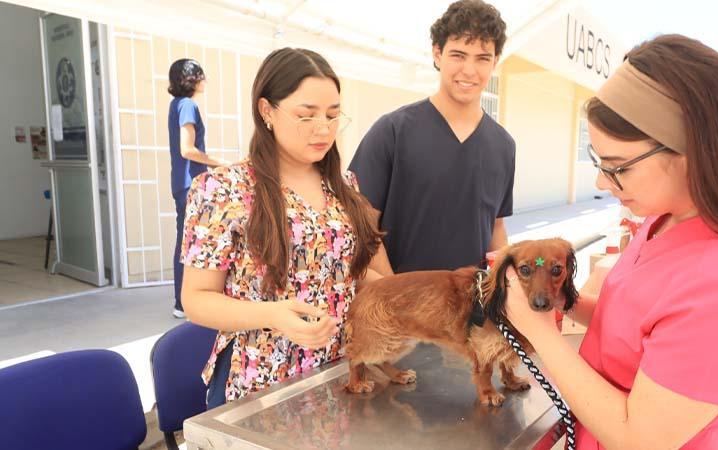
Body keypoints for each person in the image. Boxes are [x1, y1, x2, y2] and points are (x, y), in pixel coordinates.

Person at [502, 34, 718, 449]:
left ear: (693, 154)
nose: (601, 182)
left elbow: (639, 438)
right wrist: (559, 299)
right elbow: (632, 326)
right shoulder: (661, 220)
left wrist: (538, 330)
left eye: (617, 168)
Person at [180, 48, 383, 408]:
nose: (324, 128)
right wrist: (272, 314)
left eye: (333, 115)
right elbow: (196, 299)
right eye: (306, 115)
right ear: (266, 110)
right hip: (261, 377)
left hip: (340, 369)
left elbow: (352, 274)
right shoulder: (223, 188)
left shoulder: (345, 185)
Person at [348, 0, 515, 275]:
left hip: (470, 310)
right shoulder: (392, 131)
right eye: (458, 55)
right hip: (400, 308)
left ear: (495, 61)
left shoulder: (504, 146)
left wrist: (503, 287)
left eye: (482, 58)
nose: (470, 71)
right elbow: (362, 226)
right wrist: (396, 298)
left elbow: (496, 228)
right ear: (437, 54)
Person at [167, 59, 228, 319]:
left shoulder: (177, 105)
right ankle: (184, 303)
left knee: (185, 241)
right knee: (191, 244)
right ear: (192, 78)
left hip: (182, 184)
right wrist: (221, 163)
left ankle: (181, 302)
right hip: (191, 185)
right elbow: (187, 149)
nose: (205, 80)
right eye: (202, 75)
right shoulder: (188, 105)